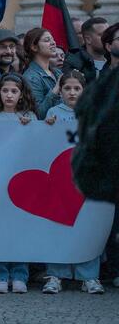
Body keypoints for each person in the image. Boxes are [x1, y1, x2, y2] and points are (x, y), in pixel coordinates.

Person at [42, 70, 105, 294]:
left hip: (86, 177)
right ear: (60, 91)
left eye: (77, 88)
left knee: (87, 227)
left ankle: (89, 275)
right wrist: (47, 126)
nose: (72, 92)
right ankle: (55, 274)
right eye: (67, 88)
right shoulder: (53, 112)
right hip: (60, 178)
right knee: (58, 226)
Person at [0, 74, 38, 293]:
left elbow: (38, 143)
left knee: (21, 229)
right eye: (5, 91)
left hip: (22, 181)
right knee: (0, 230)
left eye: (14, 91)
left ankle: (20, 275)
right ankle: (0, 275)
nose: (9, 95)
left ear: (21, 94)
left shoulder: (29, 117)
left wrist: (34, 127)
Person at [19, 27, 62, 119]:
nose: (53, 43)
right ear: (34, 47)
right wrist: (56, 90)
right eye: (47, 40)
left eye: (53, 39)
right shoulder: (30, 77)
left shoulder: (57, 72)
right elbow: (38, 114)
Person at [64, 16, 111, 84]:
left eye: (109, 34)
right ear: (88, 39)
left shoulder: (114, 60)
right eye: (102, 35)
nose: (108, 38)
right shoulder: (74, 63)